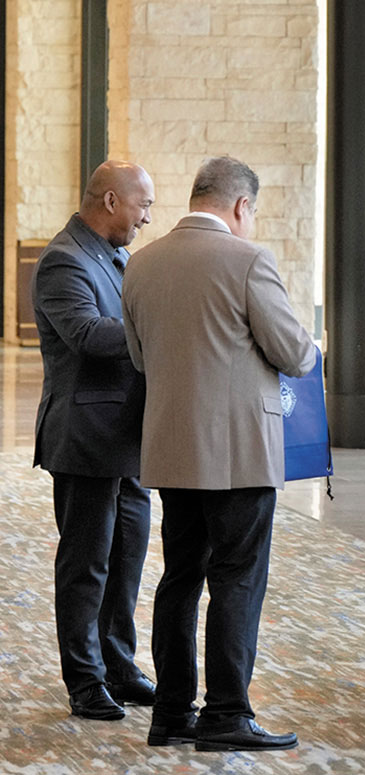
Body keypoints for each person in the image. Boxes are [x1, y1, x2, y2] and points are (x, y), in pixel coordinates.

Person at [122, 156, 315, 751]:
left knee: (180, 578)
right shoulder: (248, 259)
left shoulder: (141, 264)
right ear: (240, 206)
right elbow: (293, 352)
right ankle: (228, 713)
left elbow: (137, 358)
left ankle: (172, 713)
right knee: (237, 579)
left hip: (173, 449)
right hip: (238, 454)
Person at [32, 160, 157, 720]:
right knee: (86, 564)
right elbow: (87, 334)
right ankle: (84, 679)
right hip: (84, 438)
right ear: (110, 201)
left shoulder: (117, 256)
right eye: (142, 206)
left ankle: (119, 664)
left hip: (128, 438)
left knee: (128, 557)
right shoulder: (63, 259)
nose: (147, 219)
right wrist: (162, 329)